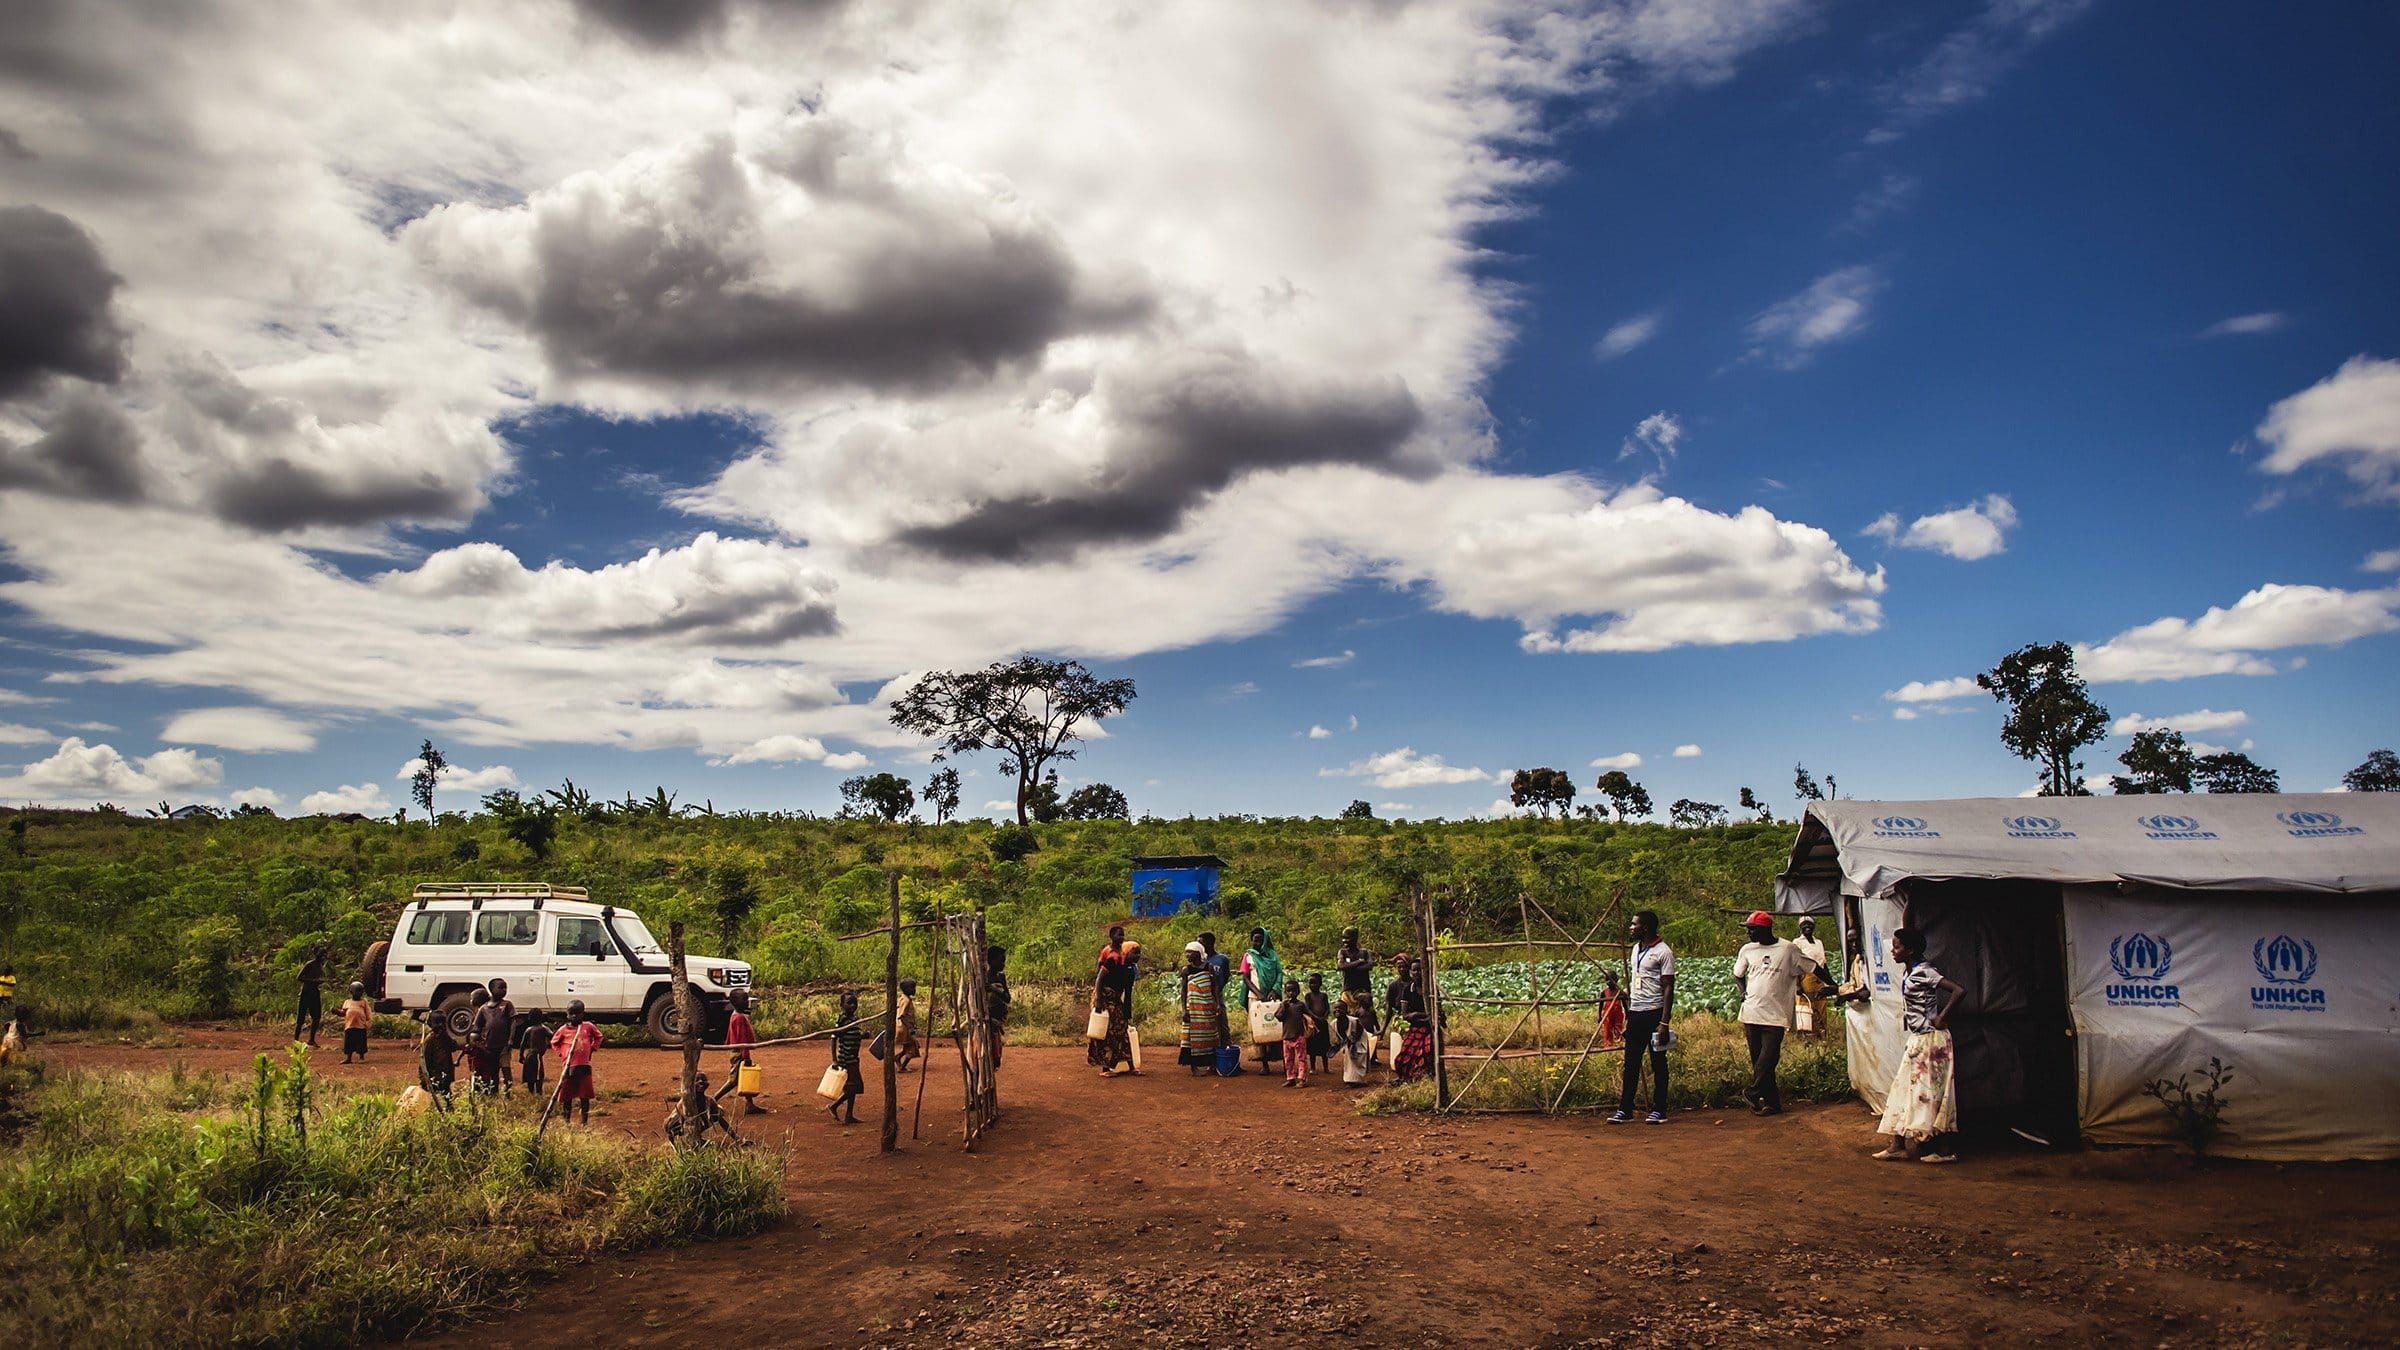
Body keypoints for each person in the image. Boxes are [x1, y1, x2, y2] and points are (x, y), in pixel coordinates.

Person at [1874, 927, 1964, 1163]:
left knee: (1933, 1093)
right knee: (1904, 1088)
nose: (1893, 951)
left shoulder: (1925, 972)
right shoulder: (1910, 971)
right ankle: (1898, 1145)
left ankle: (1944, 1150)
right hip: (1919, 1039)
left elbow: (1958, 991)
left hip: (1932, 1041)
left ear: (1910, 950)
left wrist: (1942, 1016)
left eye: (1897, 947)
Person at [1732, 911, 1822, 1117]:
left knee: (1769, 1056)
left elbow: (1813, 967)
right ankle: (1771, 1103)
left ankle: (1754, 1092)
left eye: (1752, 929)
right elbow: (1738, 975)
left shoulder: (1788, 949)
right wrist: (1742, 991)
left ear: (1765, 929)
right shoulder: (1747, 949)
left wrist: (1835, 985)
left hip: (1776, 1013)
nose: (1749, 933)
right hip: (1751, 1012)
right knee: (1759, 1060)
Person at [1608, 910, 1674, 1125]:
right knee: (1631, 1063)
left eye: (1634, 924)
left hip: (1654, 1013)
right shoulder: (1636, 949)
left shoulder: (1663, 952)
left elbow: (1668, 988)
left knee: (1658, 1063)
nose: (1631, 927)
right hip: (1636, 1013)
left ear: (1645, 927)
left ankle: (1659, 1109)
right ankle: (1625, 1109)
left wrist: (1664, 1022)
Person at [1088, 926, 1138, 1077]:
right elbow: (1099, 979)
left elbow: (1128, 991)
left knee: (1122, 1031)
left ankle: (1130, 1065)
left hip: (1116, 999)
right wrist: (1098, 1001)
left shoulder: (1129, 968)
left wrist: (1127, 1010)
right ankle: (1106, 1067)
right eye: (1135, 953)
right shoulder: (1113, 958)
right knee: (1107, 1032)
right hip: (1106, 998)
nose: (1137, 956)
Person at [550, 999, 602, 1126]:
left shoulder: (588, 1027)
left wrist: (592, 1048)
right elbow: (554, 1042)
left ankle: (584, 1121)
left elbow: (599, 1036)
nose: (574, 1016)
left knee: (585, 1095)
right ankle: (566, 1120)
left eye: (577, 1013)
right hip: (569, 1067)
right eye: (571, 1013)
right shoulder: (563, 1030)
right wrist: (562, 1053)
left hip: (584, 1066)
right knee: (567, 1095)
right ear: (567, 1014)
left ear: (582, 1014)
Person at [1177, 940, 1224, 1075]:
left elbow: (1214, 986)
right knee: (1192, 1038)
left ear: (1198, 953)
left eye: (1190, 953)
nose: (1187, 956)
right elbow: (1183, 991)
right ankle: (1194, 1067)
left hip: (1207, 1005)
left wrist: (1218, 1004)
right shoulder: (1186, 970)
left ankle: (1212, 1064)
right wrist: (1184, 1010)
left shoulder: (1208, 967)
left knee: (1210, 1036)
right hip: (1193, 1008)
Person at [1241, 927, 1285, 1067]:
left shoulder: (1273, 955)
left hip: (1273, 997)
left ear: (1265, 941)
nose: (1257, 943)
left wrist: (1274, 990)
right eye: (1255, 940)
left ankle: (1282, 1061)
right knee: (1259, 1029)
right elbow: (1246, 978)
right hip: (1255, 997)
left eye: (1260, 940)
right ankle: (1264, 1064)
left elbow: (1279, 973)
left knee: (1276, 1027)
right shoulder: (1248, 956)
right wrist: (1258, 993)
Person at [720, 987, 767, 1114]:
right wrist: (745, 1056)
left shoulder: (735, 1015)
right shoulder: (739, 1018)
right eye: (744, 999)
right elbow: (741, 1040)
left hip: (736, 1051)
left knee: (744, 1076)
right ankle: (713, 1100)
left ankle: (749, 1104)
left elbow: (731, 1035)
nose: (747, 1001)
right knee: (733, 1080)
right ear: (737, 1002)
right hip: (740, 1052)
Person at [1387, 958, 1432, 1082]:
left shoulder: (1431, 990)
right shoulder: (1408, 990)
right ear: (1411, 972)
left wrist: (1416, 1015)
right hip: (1415, 1028)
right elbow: (1405, 1015)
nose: (1417, 973)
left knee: (1426, 1051)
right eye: (1414, 970)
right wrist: (1421, 1015)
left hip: (1429, 1029)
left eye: (1419, 970)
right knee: (1404, 1056)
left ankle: (1425, 1079)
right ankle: (1406, 1078)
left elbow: (1435, 1014)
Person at [1198, 931, 1236, 1071]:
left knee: (1223, 1026)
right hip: (1204, 997)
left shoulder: (1222, 959)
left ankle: (1229, 1059)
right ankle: (1211, 1061)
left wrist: (1218, 990)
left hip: (1217, 995)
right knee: (1209, 1028)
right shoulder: (1200, 960)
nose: (1199, 945)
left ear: (1209, 943)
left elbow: (1225, 976)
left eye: (1201, 942)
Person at [471, 977, 515, 1096]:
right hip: (489, 1047)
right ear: (491, 989)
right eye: (501, 987)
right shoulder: (484, 1008)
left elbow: (513, 1023)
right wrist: (477, 1041)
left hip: (504, 1046)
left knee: (506, 1069)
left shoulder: (507, 1005)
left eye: (505, 987)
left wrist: (511, 1039)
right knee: (493, 1071)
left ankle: (508, 1093)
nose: (504, 990)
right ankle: (493, 1092)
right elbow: (476, 1028)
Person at [828, 990, 865, 1124]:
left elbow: (853, 1035)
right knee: (854, 1086)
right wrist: (834, 1060)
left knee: (852, 1087)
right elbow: (834, 1038)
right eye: (849, 1003)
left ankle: (849, 1115)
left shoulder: (854, 1020)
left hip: (854, 1058)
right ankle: (834, 1106)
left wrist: (862, 1036)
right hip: (846, 1059)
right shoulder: (842, 1019)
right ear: (842, 1005)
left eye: (855, 1003)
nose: (853, 1006)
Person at [1793, 916, 1830, 1039]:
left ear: (1814, 926)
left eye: (1809, 924)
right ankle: (1807, 1035)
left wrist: (1830, 982)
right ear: (1800, 927)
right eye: (1804, 925)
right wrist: (1797, 984)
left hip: (1819, 978)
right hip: (1805, 977)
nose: (1807, 927)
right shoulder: (1797, 942)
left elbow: (1823, 963)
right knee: (1806, 1006)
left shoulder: (1819, 942)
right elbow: (1794, 964)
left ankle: (1821, 1034)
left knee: (1820, 1003)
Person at [419, 1012, 459, 1111]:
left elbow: (454, 1046)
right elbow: (424, 1061)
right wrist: (425, 1077)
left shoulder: (443, 1037)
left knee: (446, 1096)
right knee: (435, 1098)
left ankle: (448, 1110)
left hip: (445, 1073)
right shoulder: (430, 1040)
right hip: (434, 1074)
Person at [1277, 978, 1311, 1087]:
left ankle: (1302, 1079)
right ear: (1285, 992)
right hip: (1286, 1037)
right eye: (1289, 991)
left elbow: (1309, 1015)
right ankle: (1290, 1078)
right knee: (1288, 1060)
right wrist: (1283, 1008)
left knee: (1302, 1058)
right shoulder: (1284, 1005)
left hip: (1299, 1036)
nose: (1291, 993)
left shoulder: (1301, 1005)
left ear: (1298, 991)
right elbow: (1278, 1017)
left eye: (1294, 991)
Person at [294, 941, 328, 1046]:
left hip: (314, 992)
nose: (323, 957)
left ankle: (311, 1039)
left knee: (316, 1017)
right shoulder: (310, 964)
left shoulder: (319, 966)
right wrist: (313, 981)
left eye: (324, 955)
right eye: (322, 955)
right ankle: (296, 1041)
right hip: (306, 992)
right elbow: (299, 977)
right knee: (301, 1018)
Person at [516, 1007, 551, 1104]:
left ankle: (531, 1092)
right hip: (537, 1055)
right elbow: (553, 1036)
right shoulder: (544, 1028)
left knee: (529, 1074)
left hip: (529, 1054)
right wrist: (548, 1044)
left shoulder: (528, 1029)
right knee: (539, 1074)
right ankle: (538, 1093)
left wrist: (521, 1055)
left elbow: (522, 1044)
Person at [985, 945, 1012, 1067]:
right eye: (1001, 960)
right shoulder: (984, 978)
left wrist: (995, 990)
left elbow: (1007, 998)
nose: (1003, 964)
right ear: (991, 961)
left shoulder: (1001, 977)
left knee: (995, 1056)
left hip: (998, 1019)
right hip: (987, 1019)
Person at [338, 981, 374, 1064]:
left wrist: (368, 1022)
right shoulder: (347, 1002)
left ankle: (361, 1057)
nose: (359, 994)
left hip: (361, 1026)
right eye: (357, 991)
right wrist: (337, 1012)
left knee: (361, 1042)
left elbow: (368, 1012)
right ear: (351, 992)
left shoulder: (363, 1002)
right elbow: (343, 1013)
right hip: (350, 1025)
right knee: (349, 1042)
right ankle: (348, 1058)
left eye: (360, 992)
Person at [1304, 974, 1333, 1075]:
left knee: (1324, 1046)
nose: (1312, 985)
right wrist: (1316, 1017)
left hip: (1323, 1024)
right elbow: (1307, 1009)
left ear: (1320, 984)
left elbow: (1327, 1008)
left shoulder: (1323, 995)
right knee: (1313, 1047)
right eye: (1310, 983)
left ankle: (1326, 1067)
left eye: (1314, 983)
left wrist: (1324, 1016)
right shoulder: (1308, 996)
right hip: (1313, 1025)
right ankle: (1313, 1067)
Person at [895, 977, 921, 1072]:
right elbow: (902, 1016)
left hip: (901, 1027)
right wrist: (910, 1028)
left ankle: (898, 1058)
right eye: (912, 988)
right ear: (907, 989)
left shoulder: (902, 998)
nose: (914, 990)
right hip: (905, 1028)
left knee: (907, 1047)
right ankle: (902, 1067)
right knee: (913, 1047)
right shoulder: (906, 1001)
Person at [1598, 969, 1627, 1049]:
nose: (1608, 982)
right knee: (1607, 1031)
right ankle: (1608, 1046)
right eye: (1606, 980)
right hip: (1607, 1015)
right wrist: (1600, 1016)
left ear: (1615, 980)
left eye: (1610, 980)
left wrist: (1627, 1014)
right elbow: (1601, 1005)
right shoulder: (1604, 992)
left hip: (1618, 1014)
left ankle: (1619, 1046)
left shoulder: (1619, 992)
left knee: (1618, 1030)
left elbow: (1624, 1003)